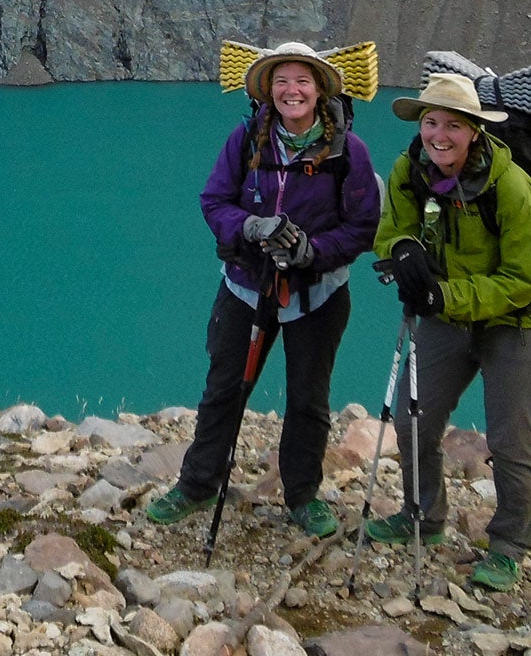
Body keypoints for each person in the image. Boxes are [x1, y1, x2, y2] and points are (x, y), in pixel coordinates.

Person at [145, 41, 381, 539]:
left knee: (308, 397)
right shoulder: (248, 138)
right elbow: (214, 200)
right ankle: (197, 483)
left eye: (301, 81)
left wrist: (312, 251)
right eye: (281, 81)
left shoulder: (348, 152)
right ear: (268, 91)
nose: (291, 91)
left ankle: (302, 494)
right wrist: (251, 227)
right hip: (247, 286)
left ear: (319, 91)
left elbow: (363, 225)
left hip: (316, 292)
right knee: (225, 386)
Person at [368, 71, 531, 591]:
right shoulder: (410, 168)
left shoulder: (512, 185)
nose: (439, 135)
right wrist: (402, 248)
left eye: (453, 124)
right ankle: (422, 517)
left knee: (510, 442)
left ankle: (509, 547)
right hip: (446, 322)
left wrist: (442, 295)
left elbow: (521, 279)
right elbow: (391, 228)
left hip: (515, 327)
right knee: (413, 423)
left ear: (475, 130)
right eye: (431, 122)